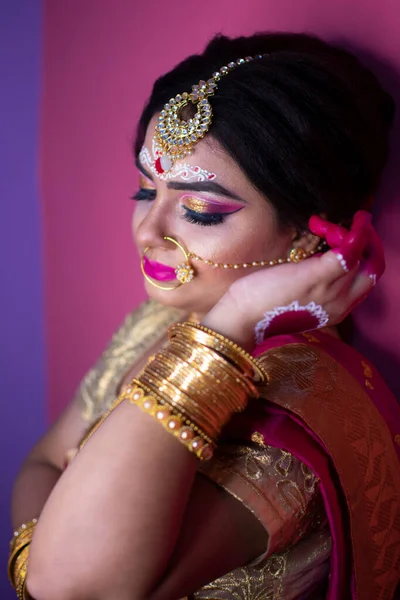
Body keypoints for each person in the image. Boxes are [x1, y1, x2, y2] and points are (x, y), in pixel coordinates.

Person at [9, 32, 400, 600]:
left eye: (200, 210)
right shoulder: (157, 322)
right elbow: (42, 459)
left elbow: (67, 587)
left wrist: (233, 322)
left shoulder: (299, 405)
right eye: (146, 193)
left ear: (309, 232)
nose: (149, 232)